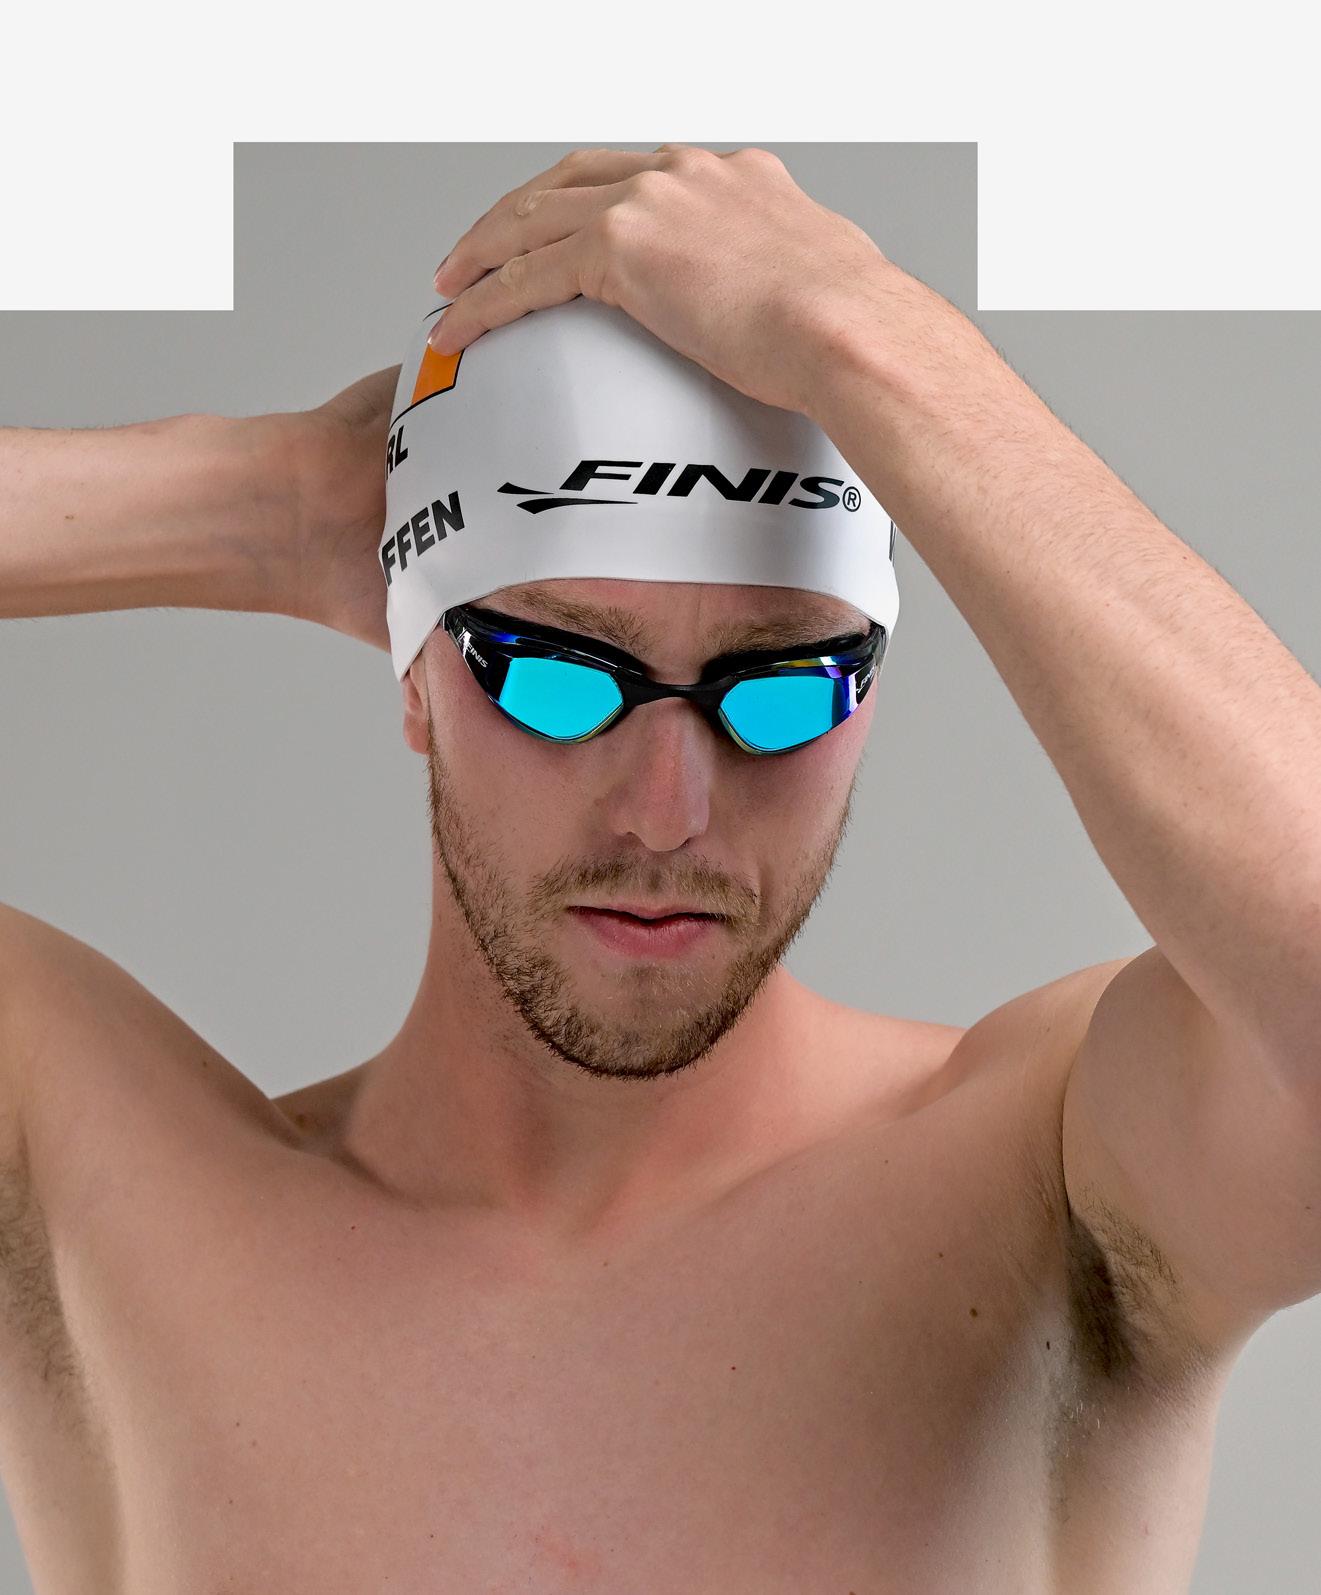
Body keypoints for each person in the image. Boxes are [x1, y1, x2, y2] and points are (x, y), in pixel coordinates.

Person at [1, 144, 1318, 1595]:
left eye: (779, 692)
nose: (668, 812)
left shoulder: (1053, 1190)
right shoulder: (101, 1196)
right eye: (560, 678)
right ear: (417, 671)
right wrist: (266, 508)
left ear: (869, 693)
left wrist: (870, 331)